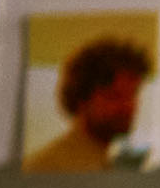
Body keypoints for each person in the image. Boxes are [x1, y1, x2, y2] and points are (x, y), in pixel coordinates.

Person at [23, 33, 150, 171]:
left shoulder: (108, 162)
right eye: (114, 96)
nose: (128, 106)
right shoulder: (48, 167)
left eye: (132, 95)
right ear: (81, 98)